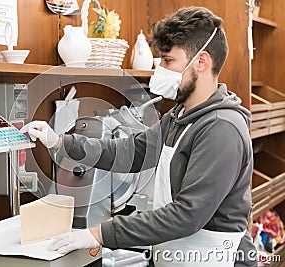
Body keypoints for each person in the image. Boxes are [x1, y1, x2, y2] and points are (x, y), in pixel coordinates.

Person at [21, 6, 257, 267]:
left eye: (168, 61)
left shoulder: (221, 128)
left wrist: (98, 234)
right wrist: (59, 141)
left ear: (201, 62)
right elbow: (128, 153)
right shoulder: (177, 118)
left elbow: (187, 215)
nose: (160, 70)